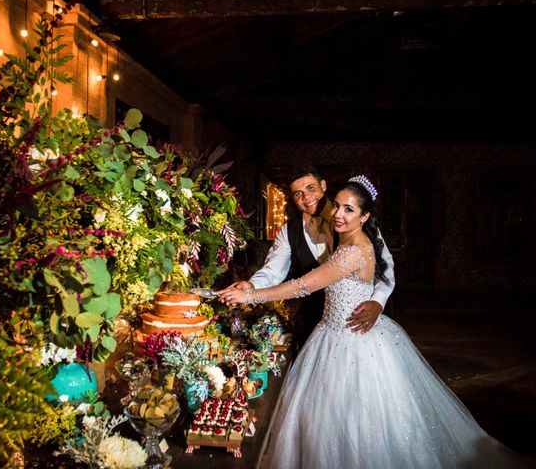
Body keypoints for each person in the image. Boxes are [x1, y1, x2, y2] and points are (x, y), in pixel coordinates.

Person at [218, 177, 526, 469]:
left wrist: (251, 297)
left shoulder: (353, 250)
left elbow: (304, 285)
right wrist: (253, 286)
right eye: (337, 205)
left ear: (364, 216)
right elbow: (279, 270)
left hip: (348, 339)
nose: (338, 213)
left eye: (348, 209)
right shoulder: (340, 240)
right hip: (332, 331)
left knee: (352, 422)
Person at [218, 165, 395, 351]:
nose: (306, 197)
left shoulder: (357, 222)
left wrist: (378, 301)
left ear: (323, 185)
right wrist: (252, 286)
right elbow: (273, 270)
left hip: (356, 322)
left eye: (311, 188)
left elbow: (385, 266)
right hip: (313, 320)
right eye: (298, 194)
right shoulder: (289, 231)